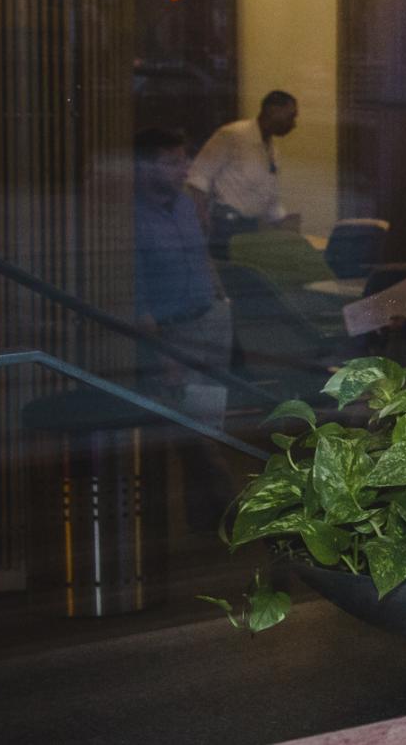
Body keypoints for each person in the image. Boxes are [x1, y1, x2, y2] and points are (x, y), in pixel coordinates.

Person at [135, 126, 236, 531]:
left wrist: (221, 301)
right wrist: (162, 355)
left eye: (184, 159)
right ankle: (228, 513)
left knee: (209, 422)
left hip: (210, 322)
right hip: (173, 334)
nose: (184, 169)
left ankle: (205, 520)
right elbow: (138, 298)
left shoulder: (185, 205)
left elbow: (203, 257)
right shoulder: (131, 217)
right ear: (145, 167)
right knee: (191, 432)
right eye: (172, 162)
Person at [186, 90, 301, 256]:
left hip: (251, 227)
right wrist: (202, 218)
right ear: (273, 110)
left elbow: (270, 195)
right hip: (226, 224)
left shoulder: (271, 149)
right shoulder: (233, 135)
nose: (293, 123)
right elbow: (198, 177)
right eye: (291, 116)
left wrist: (286, 230)